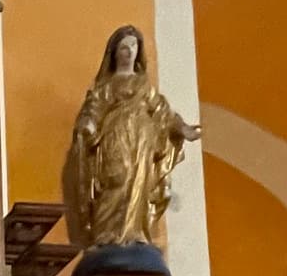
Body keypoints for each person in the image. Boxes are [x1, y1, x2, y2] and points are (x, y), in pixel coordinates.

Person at [63, 25, 201, 259]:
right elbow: (93, 109)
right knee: (117, 179)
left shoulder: (144, 86)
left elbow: (163, 113)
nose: (128, 51)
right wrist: (88, 124)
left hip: (142, 143)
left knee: (139, 184)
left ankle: (136, 233)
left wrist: (183, 129)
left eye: (133, 46)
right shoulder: (107, 86)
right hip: (114, 139)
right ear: (114, 52)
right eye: (123, 47)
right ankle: (106, 234)